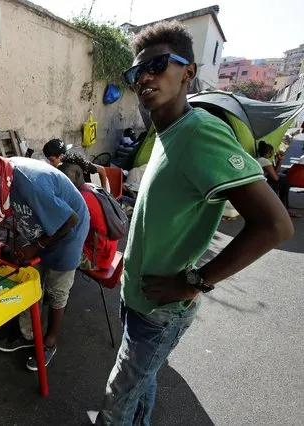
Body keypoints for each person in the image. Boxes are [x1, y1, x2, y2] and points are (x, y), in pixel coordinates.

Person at [96, 21, 293, 425]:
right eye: (137, 72)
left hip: (160, 308)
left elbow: (275, 226)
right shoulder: (168, 133)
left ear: (188, 71)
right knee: (141, 383)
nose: (145, 77)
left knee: (119, 395)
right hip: (138, 296)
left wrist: (197, 282)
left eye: (158, 65)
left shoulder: (200, 131)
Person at [0, 136, 89, 370]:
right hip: (40, 231)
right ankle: (27, 336)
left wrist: (37, 247)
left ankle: (50, 341)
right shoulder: (3, 174)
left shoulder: (28, 181)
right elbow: (8, 203)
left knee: (56, 290)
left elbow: (70, 220)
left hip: (67, 233)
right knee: (30, 282)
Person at [58, 154, 118, 271]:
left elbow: (69, 231)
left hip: (97, 259)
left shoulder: (80, 201)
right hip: (108, 250)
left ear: (77, 175)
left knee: (53, 249)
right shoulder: (92, 187)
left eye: (64, 179)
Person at [256, 141, 299, 218]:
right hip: (262, 184)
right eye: (272, 151)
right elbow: (275, 177)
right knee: (285, 181)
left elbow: (275, 172)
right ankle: (285, 209)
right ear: (269, 152)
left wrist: (279, 160)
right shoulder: (263, 160)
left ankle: (284, 207)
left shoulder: (260, 159)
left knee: (284, 175)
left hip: (262, 181)